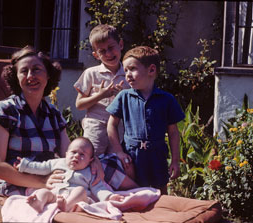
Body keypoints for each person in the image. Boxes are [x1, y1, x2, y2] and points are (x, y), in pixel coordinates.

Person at [0, 45, 72, 196]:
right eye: (24, 71)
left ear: (48, 75)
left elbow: (69, 155)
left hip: (53, 183)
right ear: (16, 78)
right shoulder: (3, 110)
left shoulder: (53, 114)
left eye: (37, 69)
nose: (31, 75)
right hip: (17, 187)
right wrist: (41, 183)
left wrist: (90, 160)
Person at [106, 46, 185, 194]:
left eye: (132, 69)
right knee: (134, 192)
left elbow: (173, 132)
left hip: (157, 155)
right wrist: (119, 152)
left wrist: (175, 160)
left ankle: (160, 217)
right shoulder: (124, 97)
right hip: (131, 156)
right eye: (126, 70)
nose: (127, 74)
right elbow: (111, 124)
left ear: (151, 70)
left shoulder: (166, 99)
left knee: (160, 193)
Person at [73, 24, 136, 190]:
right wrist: (101, 95)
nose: (108, 54)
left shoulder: (129, 73)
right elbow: (79, 104)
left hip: (118, 128)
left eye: (111, 48)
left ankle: (109, 194)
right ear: (95, 54)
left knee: (115, 164)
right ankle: (86, 191)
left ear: (120, 45)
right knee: (90, 160)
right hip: (96, 125)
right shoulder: (91, 73)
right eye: (102, 51)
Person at [14, 137, 125, 213]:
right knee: (43, 192)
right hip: (55, 195)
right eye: (73, 152)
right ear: (66, 154)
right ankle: (38, 204)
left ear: (90, 160)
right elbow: (41, 167)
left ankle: (66, 206)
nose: (76, 156)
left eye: (82, 154)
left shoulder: (90, 172)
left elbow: (98, 188)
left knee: (81, 190)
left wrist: (109, 196)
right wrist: (25, 165)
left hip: (76, 200)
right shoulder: (57, 162)